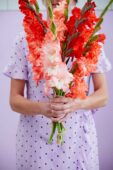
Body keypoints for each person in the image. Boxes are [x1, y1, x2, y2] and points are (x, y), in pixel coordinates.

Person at [2, 0, 112, 169]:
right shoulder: (23, 40)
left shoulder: (87, 38)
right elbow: (14, 100)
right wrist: (44, 108)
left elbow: (103, 95)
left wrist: (75, 104)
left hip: (77, 141)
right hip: (35, 144)